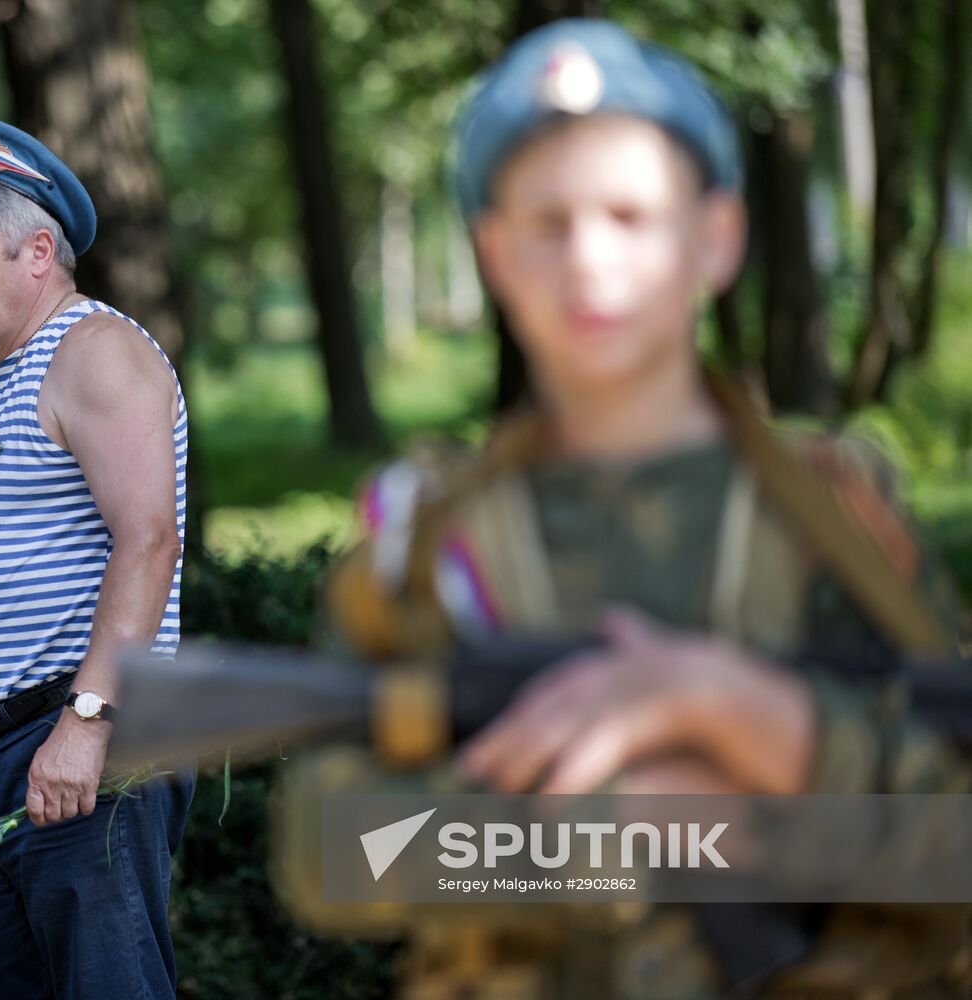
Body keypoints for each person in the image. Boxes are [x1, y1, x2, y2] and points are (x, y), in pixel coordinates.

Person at [324, 19, 971, 998]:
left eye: (630, 215)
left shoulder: (837, 517)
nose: (587, 260)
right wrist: (608, 840)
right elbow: (336, 852)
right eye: (545, 223)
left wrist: (763, 724)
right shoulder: (427, 538)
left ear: (715, 238)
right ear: (493, 253)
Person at [0, 116, 193, 999]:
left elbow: (148, 541)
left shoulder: (94, 351)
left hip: (89, 740)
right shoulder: (18, 371)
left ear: (38, 252)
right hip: (24, 750)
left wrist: (86, 723)